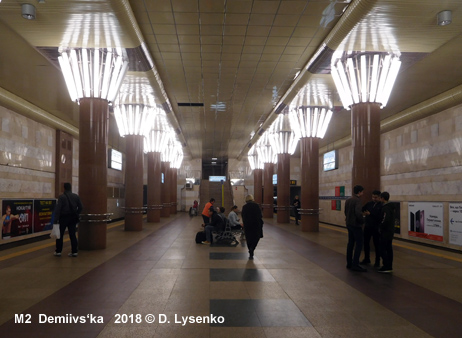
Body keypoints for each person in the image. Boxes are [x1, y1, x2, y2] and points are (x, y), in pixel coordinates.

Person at [53, 182, 83, 257]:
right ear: (70, 188)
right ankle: (74, 251)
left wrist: (56, 219)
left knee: (60, 235)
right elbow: (81, 207)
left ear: (64, 188)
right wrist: (76, 213)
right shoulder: (76, 196)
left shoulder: (62, 197)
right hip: (73, 218)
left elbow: (58, 209)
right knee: (72, 234)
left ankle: (58, 251)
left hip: (63, 218)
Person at [345, 185, 366, 272]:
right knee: (359, 244)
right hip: (356, 225)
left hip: (349, 224)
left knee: (350, 243)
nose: (363, 193)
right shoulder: (357, 200)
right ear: (359, 192)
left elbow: (345, 212)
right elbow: (358, 213)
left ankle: (349, 263)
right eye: (362, 192)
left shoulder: (348, 200)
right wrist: (362, 221)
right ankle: (355, 264)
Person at [361, 190, 382, 267]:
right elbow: (362, 209)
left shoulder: (381, 206)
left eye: (376, 197)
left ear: (379, 197)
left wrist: (370, 214)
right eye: (373, 197)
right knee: (366, 243)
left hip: (376, 227)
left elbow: (380, 217)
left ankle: (377, 261)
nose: (374, 199)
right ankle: (367, 258)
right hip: (368, 226)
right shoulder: (369, 204)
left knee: (377, 244)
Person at [241, 194, 263, 260]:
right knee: (257, 236)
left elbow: (243, 216)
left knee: (249, 237)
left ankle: (250, 249)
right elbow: (260, 215)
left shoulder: (244, 207)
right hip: (256, 224)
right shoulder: (256, 206)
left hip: (248, 225)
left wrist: (244, 223)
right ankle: (252, 248)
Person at [378, 192, 395, 273]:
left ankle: (386, 265)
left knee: (382, 248)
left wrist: (381, 226)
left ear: (382, 198)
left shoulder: (385, 208)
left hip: (385, 231)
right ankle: (389, 265)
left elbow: (385, 219)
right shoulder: (391, 207)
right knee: (389, 248)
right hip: (390, 231)